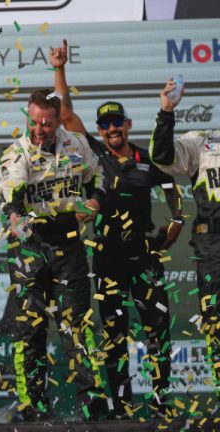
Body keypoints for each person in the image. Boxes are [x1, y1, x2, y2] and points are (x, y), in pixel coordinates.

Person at [50, 40, 182, 419]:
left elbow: (171, 184)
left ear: (127, 124)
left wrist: (176, 219)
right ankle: (121, 406)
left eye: (116, 123)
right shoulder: (95, 155)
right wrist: (59, 68)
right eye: (104, 124)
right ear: (100, 129)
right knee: (113, 337)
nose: (110, 129)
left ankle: (160, 400)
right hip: (107, 258)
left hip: (144, 255)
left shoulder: (146, 158)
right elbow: (65, 115)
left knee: (157, 332)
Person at [0, 88, 109, 421]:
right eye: (35, 122)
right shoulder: (17, 154)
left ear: (59, 119)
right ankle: (31, 404)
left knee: (77, 324)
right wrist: (15, 216)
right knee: (30, 327)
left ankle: (92, 401)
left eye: (47, 123)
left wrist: (95, 200)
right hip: (30, 245)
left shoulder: (77, 143)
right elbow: (11, 193)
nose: (40, 129)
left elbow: (98, 174)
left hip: (70, 243)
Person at [149, 79, 220, 398]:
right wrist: (166, 112)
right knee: (215, 317)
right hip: (213, 243)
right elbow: (163, 158)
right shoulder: (204, 141)